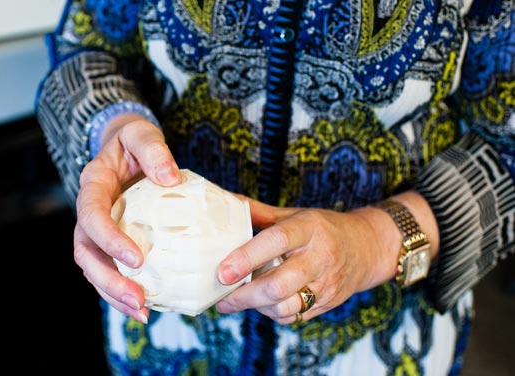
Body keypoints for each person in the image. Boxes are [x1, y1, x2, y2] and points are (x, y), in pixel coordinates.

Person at [36, 0, 515, 374]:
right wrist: (111, 130)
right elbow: (86, 46)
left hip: (380, 346)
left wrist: (375, 240)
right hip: (163, 336)